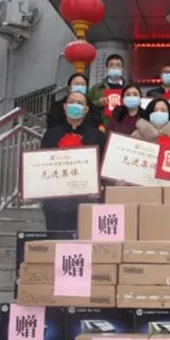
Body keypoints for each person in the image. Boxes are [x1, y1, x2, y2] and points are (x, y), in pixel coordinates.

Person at [39, 81, 104, 236]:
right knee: (57, 241)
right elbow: (41, 165)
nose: (76, 106)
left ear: (86, 109)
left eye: (80, 103)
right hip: (56, 201)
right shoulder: (51, 134)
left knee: (84, 241)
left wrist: (98, 185)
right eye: (72, 102)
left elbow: (102, 165)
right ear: (65, 106)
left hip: (86, 200)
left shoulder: (97, 136)